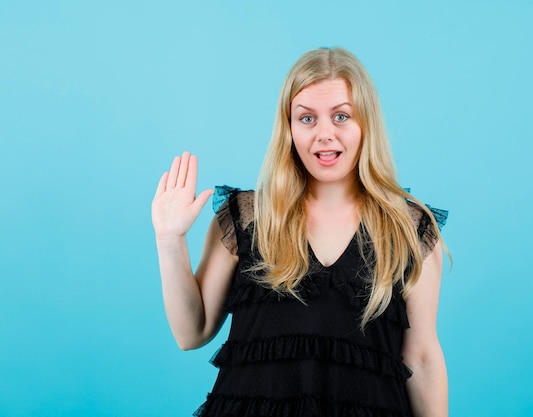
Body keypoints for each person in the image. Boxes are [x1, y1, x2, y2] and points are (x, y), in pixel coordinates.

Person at [152, 47, 449, 417]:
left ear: (366, 125)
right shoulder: (247, 217)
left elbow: (421, 358)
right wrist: (170, 241)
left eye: (341, 116)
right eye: (307, 119)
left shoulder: (409, 229)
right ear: (288, 128)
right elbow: (190, 333)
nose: (324, 134)